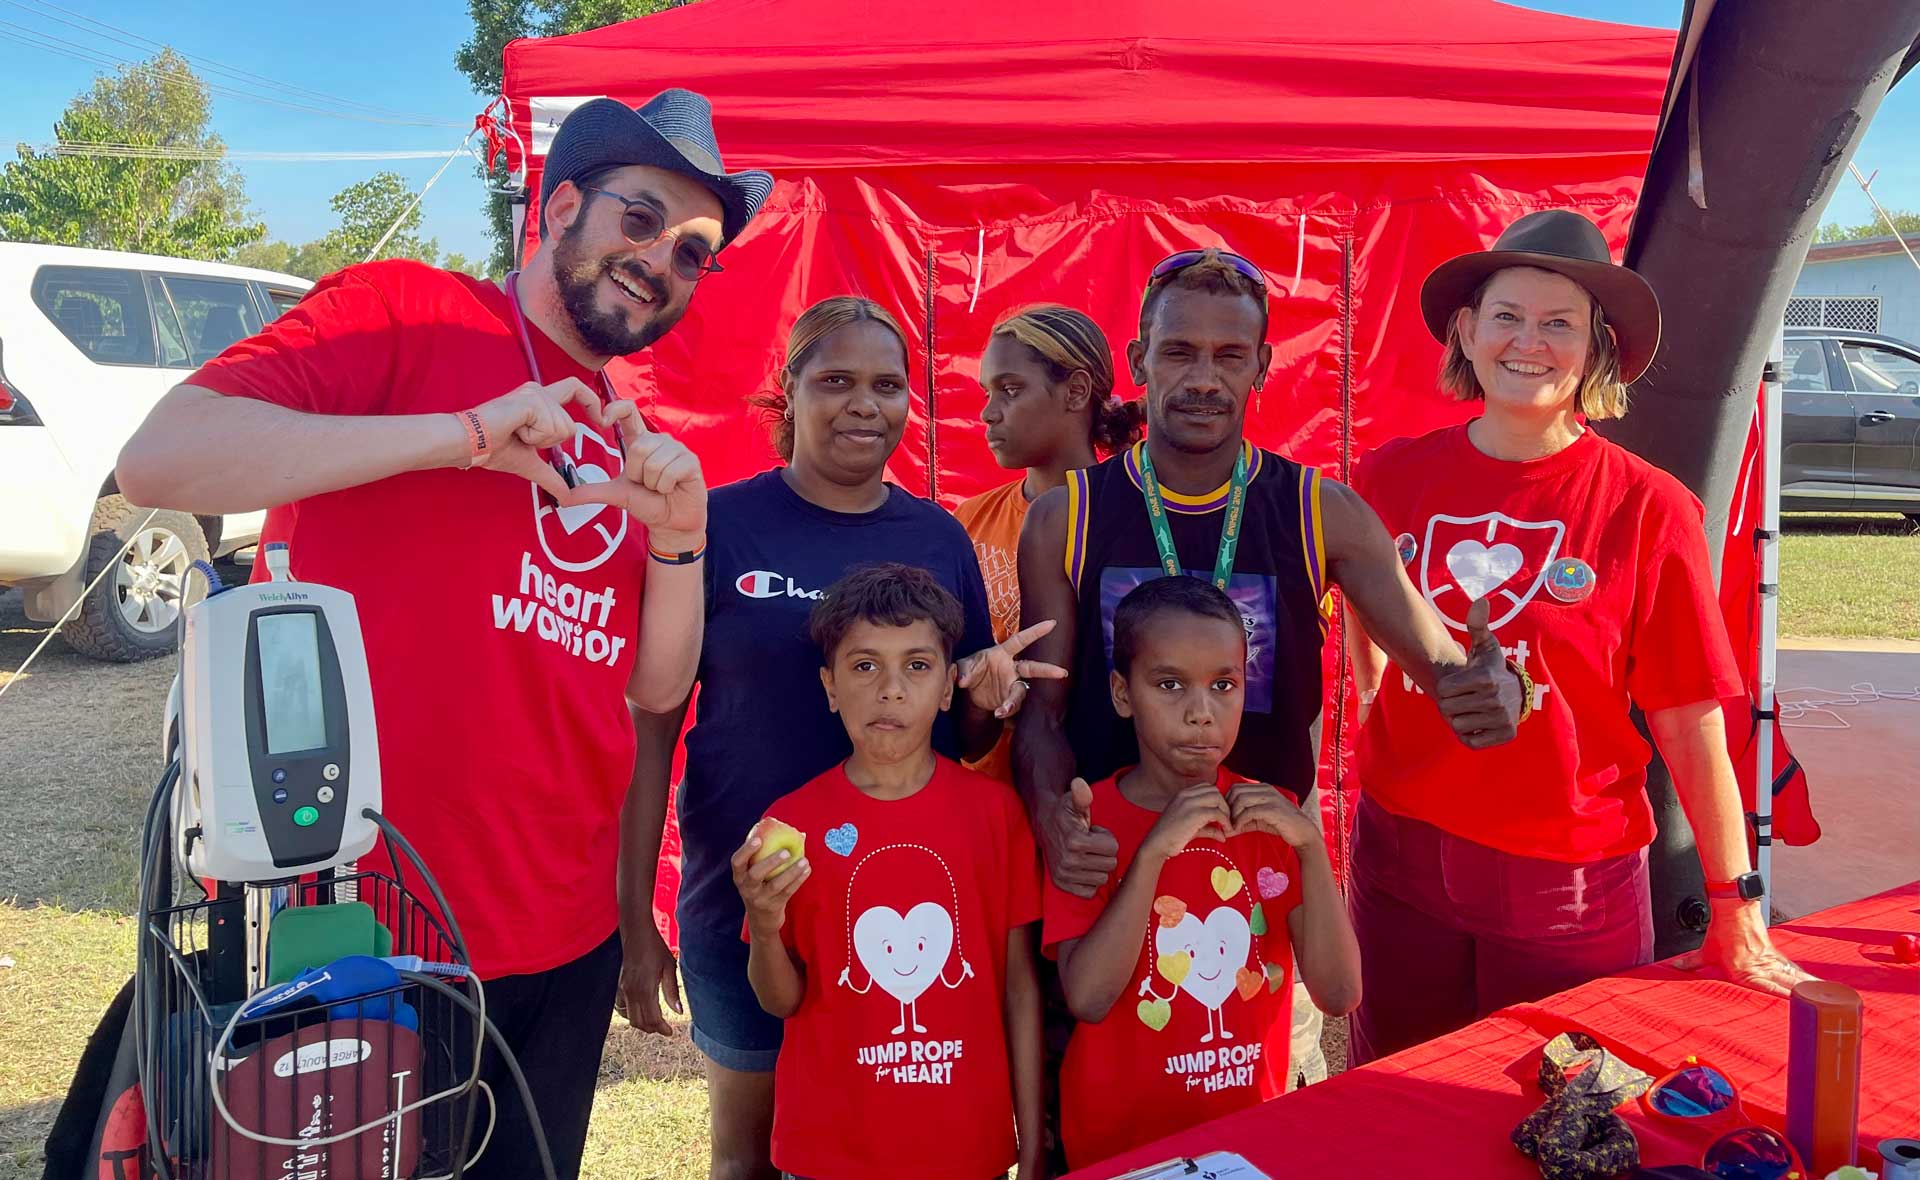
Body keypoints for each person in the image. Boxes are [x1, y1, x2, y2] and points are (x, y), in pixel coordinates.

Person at [111, 91, 769, 1179]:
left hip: (557, 944)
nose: (663, 262)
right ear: (561, 207)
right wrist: (461, 436)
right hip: (351, 930)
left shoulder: (626, 436)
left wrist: (680, 540)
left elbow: (651, 692)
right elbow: (161, 459)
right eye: (641, 220)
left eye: (695, 253)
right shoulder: (407, 311)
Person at [1011, 248, 1523, 1103]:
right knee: (1109, 1121)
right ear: (1139, 361)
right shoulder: (1068, 515)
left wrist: (1491, 690)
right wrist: (1050, 820)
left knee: (1252, 1119)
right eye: (1179, 352)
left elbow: (1444, 665)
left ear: (1262, 366)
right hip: (1111, 891)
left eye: (1229, 355)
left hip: (1259, 888)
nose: (1203, 378)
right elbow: (1041, 712)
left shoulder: (1320, 510)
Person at [1343, 209, 1810, 1064]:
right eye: (1508, 316)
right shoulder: (1387, 476)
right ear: (1467, 331)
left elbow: (1690, 714)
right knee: (1396, 1096)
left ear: (1596, 348)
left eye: (1559, 324)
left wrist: (1735, 901)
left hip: (1566, 885)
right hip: (1399, 862)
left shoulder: (1647, 505)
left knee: (1559, 1117)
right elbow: (1358, 634)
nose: (1531, 342)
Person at [620, 296, 1063, 1180]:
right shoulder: (714, 524)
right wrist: (636, 918)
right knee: (748, 1159)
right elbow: (651, 734)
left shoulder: (937, 537)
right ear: (788, 392)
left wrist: (989, 697)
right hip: (750, 902)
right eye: (836, 381)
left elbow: (961, 732)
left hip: (908, 904)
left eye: (888, 385)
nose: (866, 404)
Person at [733, 564, 1044, 1180]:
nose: (892, 690)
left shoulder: (994, 813)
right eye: (865, 665)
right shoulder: (790, 825)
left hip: (967, 1147)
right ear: (830, 686)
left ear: (949, 689)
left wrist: (1032, 1144)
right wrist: (763, 923)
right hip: (829, 1152)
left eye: (918, 666)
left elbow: (1019, 990)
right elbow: (780, 1000)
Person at [1044, 577, 1360, 1169]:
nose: (1200, 712)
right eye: (1169, 685)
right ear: (1121, 692)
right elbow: (1086, 998)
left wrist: (1312, 849)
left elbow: (1339, 995)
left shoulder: (1272, 819)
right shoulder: (1086, 825)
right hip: (1123, 1150)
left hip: (1243, 1143)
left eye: (1223, 686)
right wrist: (1153, 853)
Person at [953, 304, 1145, 781]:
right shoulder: (969, 520)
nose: (988, 412)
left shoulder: (1139, 518)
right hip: (987, 804)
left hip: (1102, 800)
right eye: (987, 392)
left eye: (1011, 390)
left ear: (1076, 391)